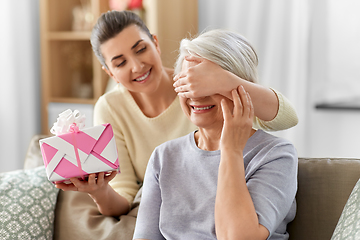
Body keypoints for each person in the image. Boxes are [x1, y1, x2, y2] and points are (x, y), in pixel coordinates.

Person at [55, 10, 298, 218]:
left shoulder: (203, 86)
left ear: (156, 43)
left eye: (141, 49)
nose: (137, 66)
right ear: (109, 72)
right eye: (120, 63)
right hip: (166, 209)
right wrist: (98, 192)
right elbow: (125, 195)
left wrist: (225, 81)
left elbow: (287, 119)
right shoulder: (111, 107)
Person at [133, 29, 298, 240]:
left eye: (207, 83)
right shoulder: (164, 156)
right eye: (188, 82)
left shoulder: (276, 155)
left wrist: (231, 150)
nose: (196, 95)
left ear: (240, 86)